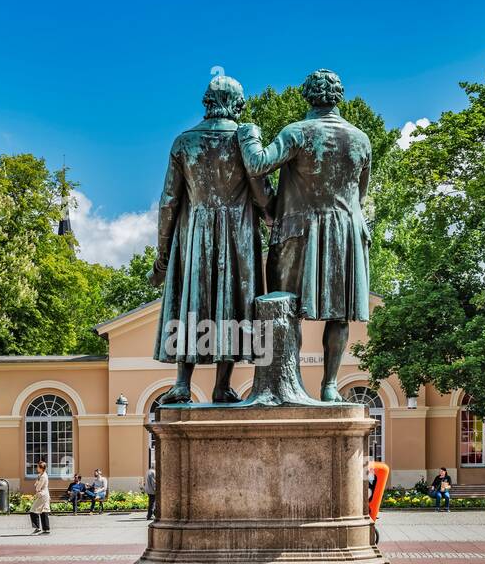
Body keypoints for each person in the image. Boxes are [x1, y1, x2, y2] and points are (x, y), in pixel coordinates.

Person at [238, 69, 372, 402]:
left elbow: (257, 165)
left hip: (298, 232)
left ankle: (291, 381)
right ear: (338, 97)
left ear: (307, 96)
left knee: (285, 309)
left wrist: (248, 135)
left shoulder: (297, 132)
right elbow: (361, 192)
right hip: (346, 232)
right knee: (340, 314)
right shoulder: (360, 139)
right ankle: (329, 385)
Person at [151, 74, 272, 404]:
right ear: (235, 104)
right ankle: (222, 384)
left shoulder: (183, 142)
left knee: (192, 301)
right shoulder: (244, 140)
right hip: (239, 235)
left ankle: (181, 382)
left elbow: (169, 201)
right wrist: (272, 215)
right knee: (233, 303)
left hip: (196, 234)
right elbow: (262, 196)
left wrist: (162, 254)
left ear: (207, 103)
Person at [30, 460, 51, 534]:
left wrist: (37, 486)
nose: (36, 468)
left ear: (41, 468)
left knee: (33, 510)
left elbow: (37, 487)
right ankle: (46, 530)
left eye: (37, 467)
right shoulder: (40, 475)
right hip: (44, 494)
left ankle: (37, 528)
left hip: (42, 495)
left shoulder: (43, 476)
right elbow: (36, 484)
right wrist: (37, 484)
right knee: (43, 511)